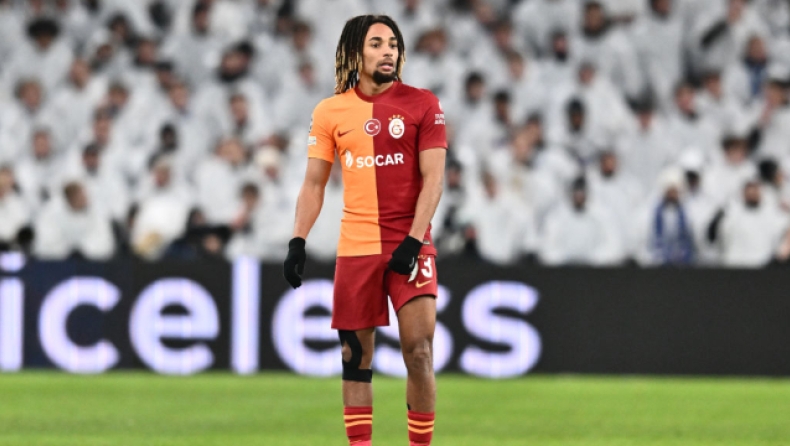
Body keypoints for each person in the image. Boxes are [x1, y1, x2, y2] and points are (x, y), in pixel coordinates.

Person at [283, 15, 446, 446]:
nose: (388, 51)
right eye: (376, 44)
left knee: (419, 350)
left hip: (410, 243)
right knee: (354, 357)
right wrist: (297, 240)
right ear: (355, 53)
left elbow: (434, 180)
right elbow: (314, 184)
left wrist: (413, 239)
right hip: (357, 248)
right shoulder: (329, 111)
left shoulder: (423, 104)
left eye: (393, 43)